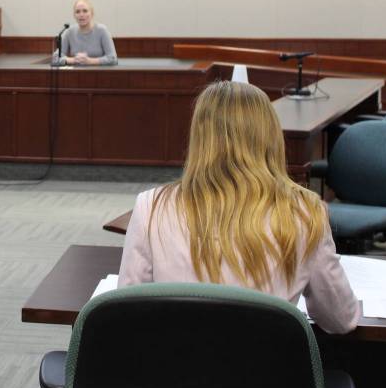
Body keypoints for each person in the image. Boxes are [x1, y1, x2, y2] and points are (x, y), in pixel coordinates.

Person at [117, 81, 360, 334]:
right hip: (269, 371)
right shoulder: (305, 212)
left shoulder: (151, 207)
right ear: (271, 136)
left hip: (175, 369)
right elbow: (341, 319)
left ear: (199, 138)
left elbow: (126, 315)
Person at [58, 0, 117, 65]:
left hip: (99, 74)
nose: (81, 15)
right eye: (77, 12)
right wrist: (73, 60)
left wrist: (90, 61)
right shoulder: (69, 32)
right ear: (74, 15)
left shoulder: (102, 30)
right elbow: (56, 58)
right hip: (76, 74)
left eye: (85, 11)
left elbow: (113, 58)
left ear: (92, 13)